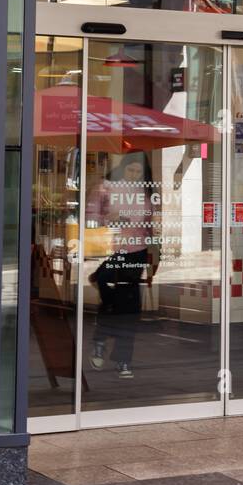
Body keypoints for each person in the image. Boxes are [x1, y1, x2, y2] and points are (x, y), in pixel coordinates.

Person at [85, 152, 156, 378]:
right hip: (112, 249)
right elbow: (89, 217)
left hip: (138, 251)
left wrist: (156, 251)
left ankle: (121, 358)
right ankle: (101, 342)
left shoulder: (146, 192)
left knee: (131, 310)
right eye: (131, 170)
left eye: (139, 172)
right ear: (122, 168)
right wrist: (109, 219)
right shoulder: (106, 187)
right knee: (114, 300)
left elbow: (150, 225)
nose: (135, 175)